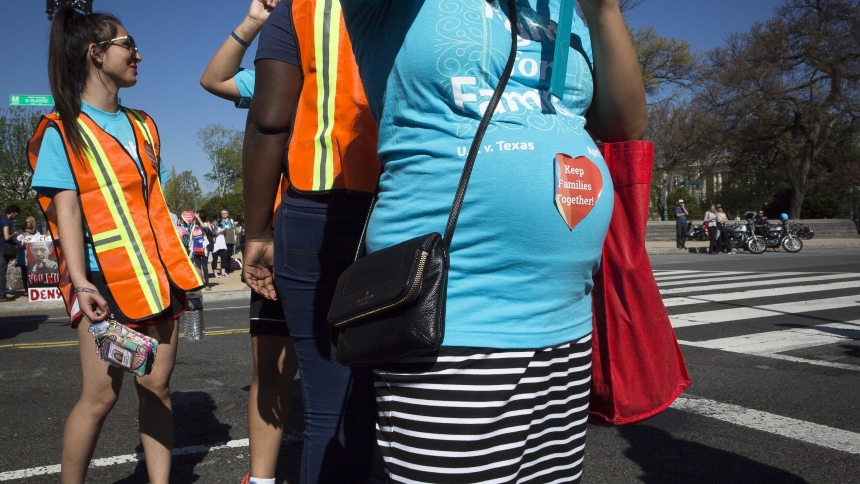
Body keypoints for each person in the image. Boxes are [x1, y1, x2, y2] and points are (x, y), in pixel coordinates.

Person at [334, 0, 648, 481]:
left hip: (567, 319)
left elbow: (625, 125)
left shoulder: (563, 11)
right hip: (455, 314)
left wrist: (603, 11)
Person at [27, 8, 202, 483]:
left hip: (160, 274)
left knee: (158, 387)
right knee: (101, 396)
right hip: (104, 280)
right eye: (129, 45)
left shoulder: (145, 125)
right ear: (96, 54)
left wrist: (185, 268)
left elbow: (158, 206)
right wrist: (80, 284)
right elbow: (67, 213)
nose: (139, 54)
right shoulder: (62, 129)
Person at [242, 0, 383, 482]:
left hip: (318, 206)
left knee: (331, 403)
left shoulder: (303, 8)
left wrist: (257, 231)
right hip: (406, 198)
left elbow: (269, 120)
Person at [201, 3, 305, 483]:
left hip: (352, 223)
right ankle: (261, 479)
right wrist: (255, 23)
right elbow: (214, 79)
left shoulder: (362, 51)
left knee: (354, 362)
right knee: (271, 367)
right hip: (284, 231)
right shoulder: (280, 66)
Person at [1, 205, 21, 301]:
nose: (16, 216)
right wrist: (14, 234)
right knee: (2, 272)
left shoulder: (1, 218)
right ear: (13, 212)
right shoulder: (6, 221)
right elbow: (6, 237)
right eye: (16, 214)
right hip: (2, 249)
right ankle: (2, 295)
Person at [16, 216, 40, 291]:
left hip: (33, 257)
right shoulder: (21, 231)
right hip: (24, 256)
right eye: (26, 222)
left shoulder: (37, 233)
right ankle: (26, 289)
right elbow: (18, 244)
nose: (27, 224)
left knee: (33, 272)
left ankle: (33, 288)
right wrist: (23, 238)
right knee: (24, 273)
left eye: (29, 222)